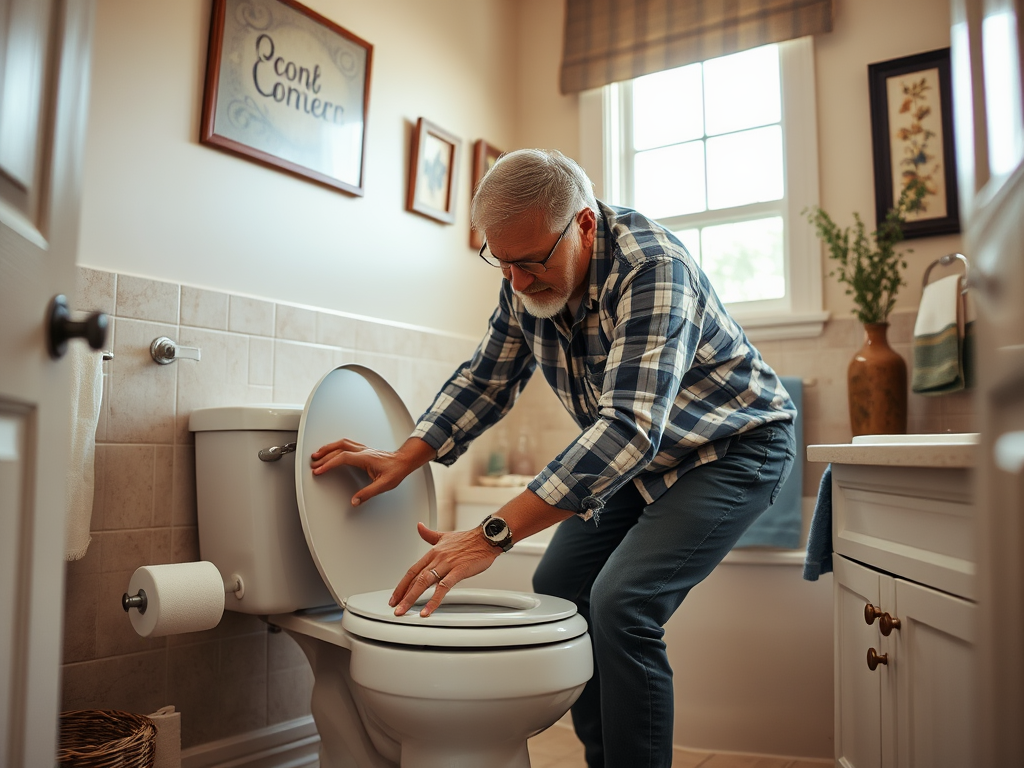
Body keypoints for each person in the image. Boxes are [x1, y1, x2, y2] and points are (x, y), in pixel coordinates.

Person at [311, 148, 796, 767]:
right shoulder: (525, 273)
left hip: (733, 447)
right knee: (560, 586)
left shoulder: (653, 268)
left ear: (584, 225)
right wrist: (407, 456)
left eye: (532, 262)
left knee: (623, 602)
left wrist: (491, 534)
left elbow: (626, 426)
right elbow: (487, 378)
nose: (516, 281)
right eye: (501, 261)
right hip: (642, 459)